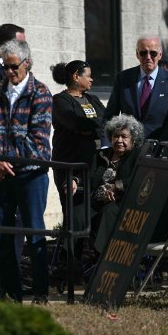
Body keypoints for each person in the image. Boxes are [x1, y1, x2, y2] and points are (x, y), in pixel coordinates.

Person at [0, 39, 52, 304]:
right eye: (5, 67)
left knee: (34, 231)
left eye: (13, 67)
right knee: (1, 232)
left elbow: (38, 141)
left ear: (27, 63)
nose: (9, 72)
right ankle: (11, 293)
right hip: (1, 172)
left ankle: (41, 293)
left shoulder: (41, 93)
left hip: (31, 173)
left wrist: (2, 158)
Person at [74, 114, 144, 253]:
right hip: (96, 201)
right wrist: (74, 181)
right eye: (115, 136)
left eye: (124, 137)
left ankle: (100, 257)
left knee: (108, 213)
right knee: (77, 213)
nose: (119, 140)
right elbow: (85, 173)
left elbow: (141, 178)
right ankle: (70, 259)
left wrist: (118, 186)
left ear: (133, 139)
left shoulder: (138, 156)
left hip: (121, 203)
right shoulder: (101, 155)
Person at [50, 60, 105, 233]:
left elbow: (108, 122)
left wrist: (91, 128)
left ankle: (91, 254)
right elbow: (74, 123)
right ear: (76, 76)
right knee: (74, 212)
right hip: (70, 165)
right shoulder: (60, 101)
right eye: (88, 76)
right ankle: (71, 256)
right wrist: (94, 127)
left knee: (94, 209)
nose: (92, 80)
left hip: (93, 164)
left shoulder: (92, 99)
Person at [103, 35, 168, 143]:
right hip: (127, 147)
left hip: (157, 148)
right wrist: (106, 144)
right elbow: (110, 116)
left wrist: (162, 148)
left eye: (153, 53)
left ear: (160, 54)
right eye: (143, 53)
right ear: (137, 54)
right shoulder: (123, 78)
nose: (148, 57)